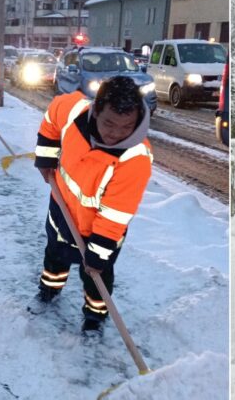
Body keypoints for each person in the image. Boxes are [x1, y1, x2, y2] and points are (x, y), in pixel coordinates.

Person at [33, 76, 153, 331]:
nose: (116, 134)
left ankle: (95, 315)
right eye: (109, 123)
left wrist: (97, 253)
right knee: (54, 256)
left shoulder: (135, 159)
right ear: (95, 110)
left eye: (126, 126)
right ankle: (49, 289)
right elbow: (53, 117)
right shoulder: (75, 112)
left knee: (96, 276)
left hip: (99, 231)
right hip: (61, 208)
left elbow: (116, 215)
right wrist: (46, 157)